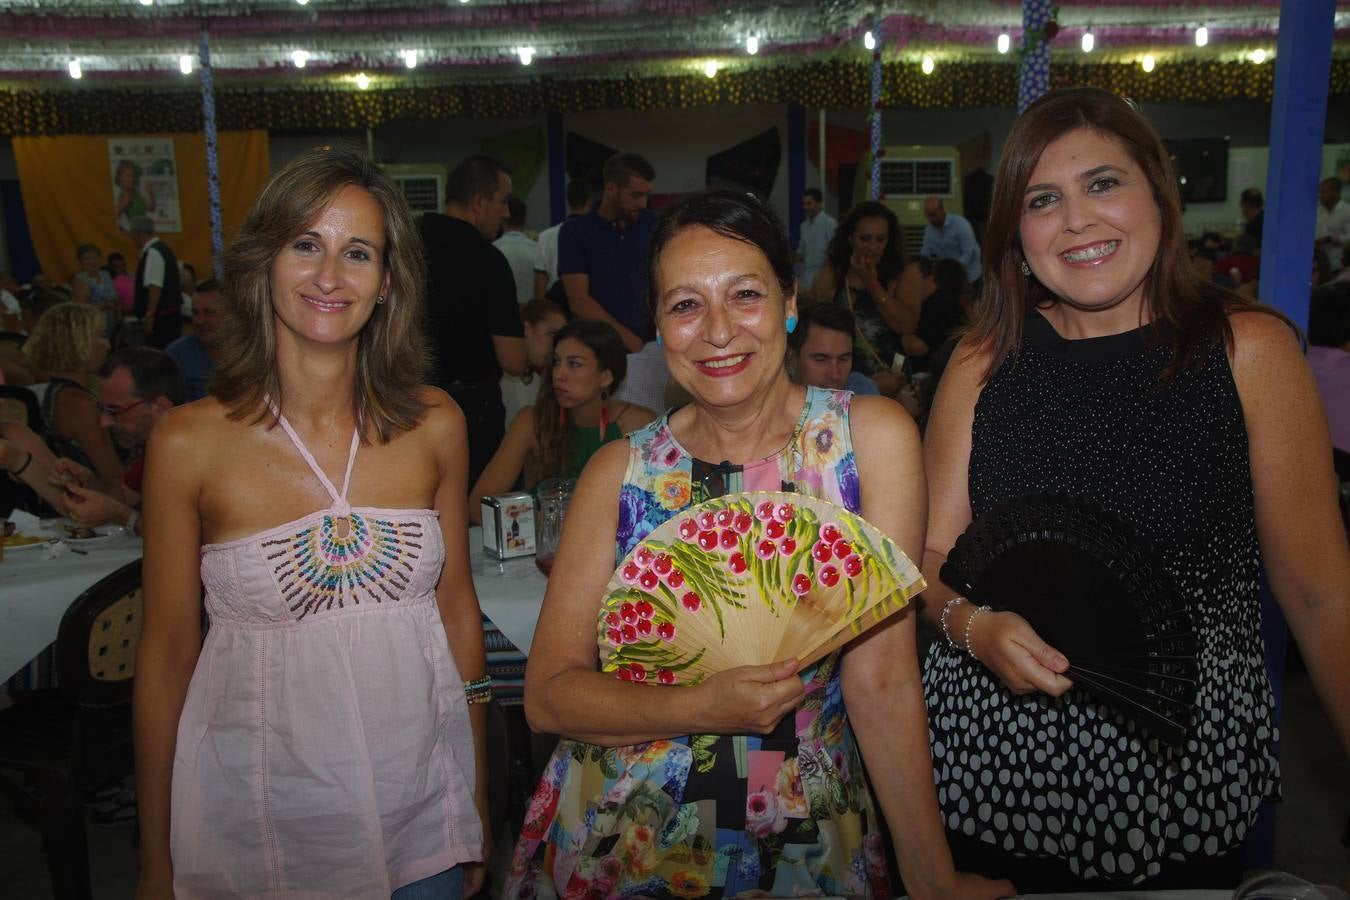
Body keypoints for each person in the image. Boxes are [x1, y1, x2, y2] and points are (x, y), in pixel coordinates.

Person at [507, 189, 1012, 900]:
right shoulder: (618, 472)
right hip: (629, 829)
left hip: (806, 830)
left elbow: (884, 679)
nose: (717, 331)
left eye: (744, 295)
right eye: (684, 305)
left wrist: (932, 880)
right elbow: (549, 699)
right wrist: (698, 707)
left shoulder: (868, 441)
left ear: (789, 301)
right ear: (656, 324)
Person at [920, 87, 1350, 892]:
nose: (1077, 220)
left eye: (1103, 184)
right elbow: (931, 551)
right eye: (1044, 199)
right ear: (1017, 231)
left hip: (1177, 781)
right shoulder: (982, 363)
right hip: (988, 773)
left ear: (1159, 192)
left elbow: (1323, 594)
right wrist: (973, 627)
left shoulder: (1245, 353)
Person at [133, 149, 491, 898]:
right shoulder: (188, 442)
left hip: (420, 817)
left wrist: (477, 793)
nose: (330, 277)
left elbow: (458, 614)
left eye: (356, 253)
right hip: (258, 823)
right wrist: (156, 855)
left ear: (387, 283)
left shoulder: (436, 425)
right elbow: (167, 654)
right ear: (264, 262)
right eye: (307, 245)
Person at [469, 318, 655, 523]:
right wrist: (544, 520)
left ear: (606, 377)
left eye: (574, 364)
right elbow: (479, 506)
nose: (559, 374)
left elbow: (656, 508)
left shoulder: (639, 425)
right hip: (543, 548)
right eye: (556, 362)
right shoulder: (533, 422)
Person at [421, 154, 528, 486]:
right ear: (479, 202)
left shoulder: (403, 244)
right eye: (504, 201)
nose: (507, 212)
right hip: (469, 411)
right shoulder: (487, 260)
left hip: (401, 403)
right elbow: (512, 359)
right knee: (474, 511)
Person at [49, 348, 185, 535]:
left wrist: (121, 515)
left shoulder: (193, 451)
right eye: (102, 409)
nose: (104, 422)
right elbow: (122, 498)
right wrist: (88, 482)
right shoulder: (156, 447)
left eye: (115, 411)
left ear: (160, 407)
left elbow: (179, 533)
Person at [807, 200, 915, 396]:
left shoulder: (902, 275)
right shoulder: (831, 277)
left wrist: (872, 284)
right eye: (865, 239)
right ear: (851, 239)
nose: (873, 247)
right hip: (845, 385)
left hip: (894, 383)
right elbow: (814, 333)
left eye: (880, 239)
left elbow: (906, 325)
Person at [558, 152, 657, 353]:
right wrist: (633, 343)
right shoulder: (576, 232)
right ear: (611, 189)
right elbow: (579, 301)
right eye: (636, 195)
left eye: (647, 195)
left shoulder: (653, 224)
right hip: (601, 350)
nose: (643, 204)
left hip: (653, 348)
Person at [21, 301, 122, 492]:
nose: (108, 345)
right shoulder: (79, 403)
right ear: (78, 341)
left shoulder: (50, 391)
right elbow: (115, 479)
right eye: (101, 336)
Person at [785, 301, 880, 396]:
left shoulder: (861, 391)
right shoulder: (773, 396)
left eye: (844, 359)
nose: (835, 374)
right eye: (821, 359)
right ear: (792, 357)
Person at [500, 297, 567, 427]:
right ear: (526, 328)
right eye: (552, 334)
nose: (556, 345)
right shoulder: (498, 378)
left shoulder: (539, 383)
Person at [898, 256, 966, 374]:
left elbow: (916, 347)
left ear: (929, 279)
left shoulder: (941, 305)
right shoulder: (926, 304)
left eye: (911, 280)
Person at [128, 215, 184, 349]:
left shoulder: (153, 252)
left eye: (131, 235)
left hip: (162, 318)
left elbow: (155, 287)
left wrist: (150, 315)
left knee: (159, 353)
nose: (131, 239)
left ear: (138, 233)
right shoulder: (163, 248)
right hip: (169, 314)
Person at [533, 176, 592, 301]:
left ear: (568, 200)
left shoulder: (545, 236)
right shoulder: (597, 236)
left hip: (556, 309)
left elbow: (540, 288)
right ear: (589, 201)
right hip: (588, 304)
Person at [165, 279, 223, 400]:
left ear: (231, 316)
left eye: (209, 313)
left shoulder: (250, 353)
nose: (199, 321)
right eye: (195, 313)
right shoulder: (177, 355)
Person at [921, 197, 982, 288]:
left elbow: (969, 253)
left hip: (970, 276)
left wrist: (951, 270)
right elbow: (925, 253)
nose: (931, 220)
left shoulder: (961, 224)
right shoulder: (929, 230)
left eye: (933, 215)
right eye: (928, 216)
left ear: (942, 210)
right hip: (948, 277)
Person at [494, 197, 539, 306]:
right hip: (531, 314)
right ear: (524, 219)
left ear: (502, 218)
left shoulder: (492, 250)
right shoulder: (538, 250)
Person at [69, 243, 119, 328]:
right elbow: (81, 308)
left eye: (95, 257)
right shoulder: (80, 279)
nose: (93, 261)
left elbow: (114, 296)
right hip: (91, 323)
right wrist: (104, 305)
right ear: (80, 261)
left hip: (112, 320)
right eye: (87, 258)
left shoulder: (105, 274)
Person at [798, 187, 837, 290]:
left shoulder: (830, 223)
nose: (806, 207)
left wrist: (825, 274)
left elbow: (834, 251)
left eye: (809, 204)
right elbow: (801, 252)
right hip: (806, 275)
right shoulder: (804, 225)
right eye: (804, 204)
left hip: (824, 275)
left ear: (819, 204)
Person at [1315, 177, 1350, 276]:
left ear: (1336, 192)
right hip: (1317, 263)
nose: (1320, 195)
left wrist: (1330, 239)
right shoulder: (1317, 210)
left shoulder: (1347, 211)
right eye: (1320, 192)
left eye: (1324, 192)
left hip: (1336, 264)